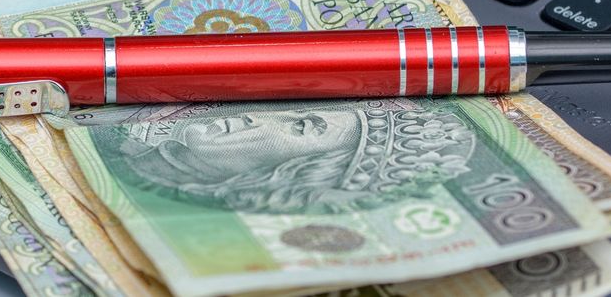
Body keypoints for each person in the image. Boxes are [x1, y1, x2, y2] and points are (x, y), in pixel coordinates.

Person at [91, 99, 477, 214]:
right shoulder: (122, 154)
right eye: (292, 111)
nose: (257, 113)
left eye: (301, 126)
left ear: (301, 171)